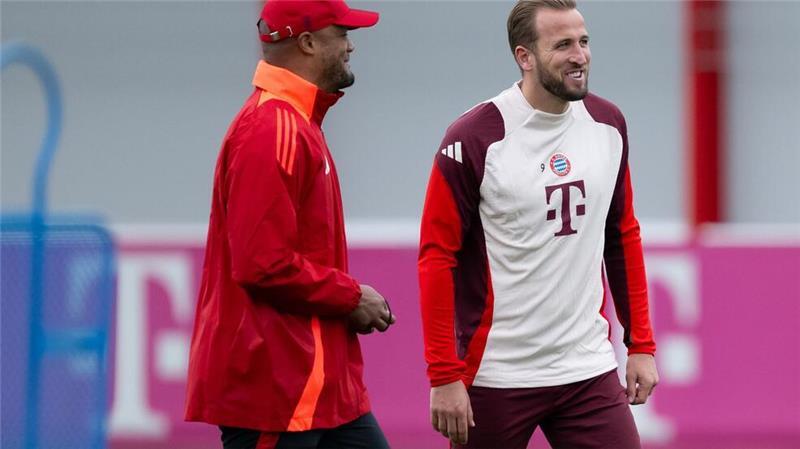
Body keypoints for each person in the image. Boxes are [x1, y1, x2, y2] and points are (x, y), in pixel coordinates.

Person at [417, 1, 658, 448]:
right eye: (562, 44)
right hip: (497, 373)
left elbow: (622, 235)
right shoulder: (474, 138)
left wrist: (640, 343)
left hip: (585, 368)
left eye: (583, 42)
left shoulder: (608, 125)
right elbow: (436, 257)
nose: (579, 56)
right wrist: (444, 374)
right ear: (524, 57)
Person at [184, 1, 395, 448]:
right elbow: (262, 263)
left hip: (319, 388)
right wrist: (351, 296)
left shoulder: (294, 122)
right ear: (308, 42)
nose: (351, 45)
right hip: (275, 391)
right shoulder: (271, 128)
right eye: (342, 34)